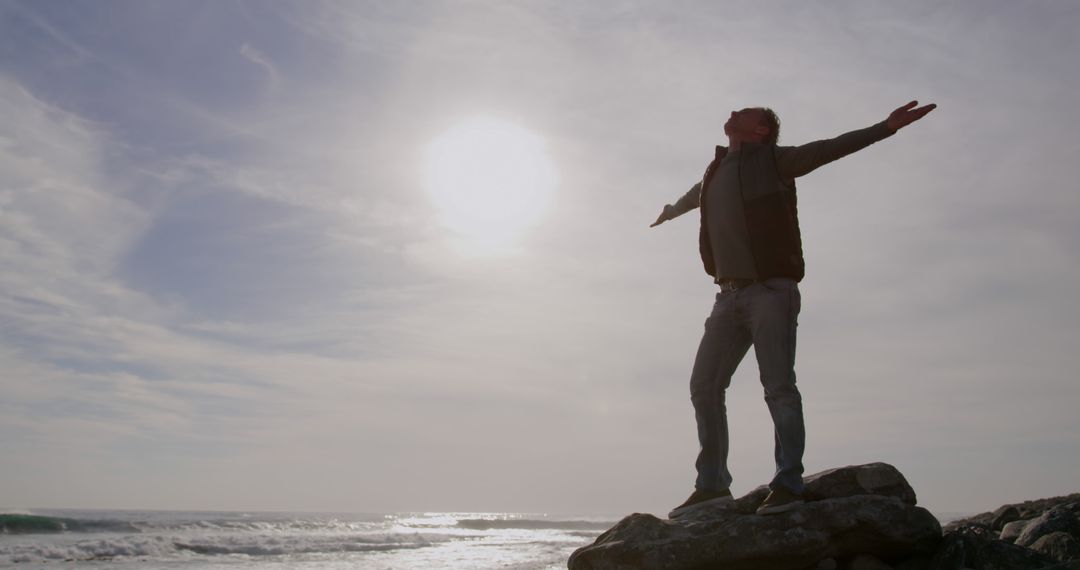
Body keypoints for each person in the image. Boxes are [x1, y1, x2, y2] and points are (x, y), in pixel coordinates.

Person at [652, 101, 936, 518]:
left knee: (779, 388)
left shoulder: (777, 161)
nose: (733, 111)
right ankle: (711, 486)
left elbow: (831, 148)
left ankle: (787, 484)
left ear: (762, 130)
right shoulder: (716, 169)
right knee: (704, 387)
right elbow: (698, 195)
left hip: (771, 290)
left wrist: (885, 127)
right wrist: (671, 211)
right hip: (727, 296)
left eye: (745, 112)